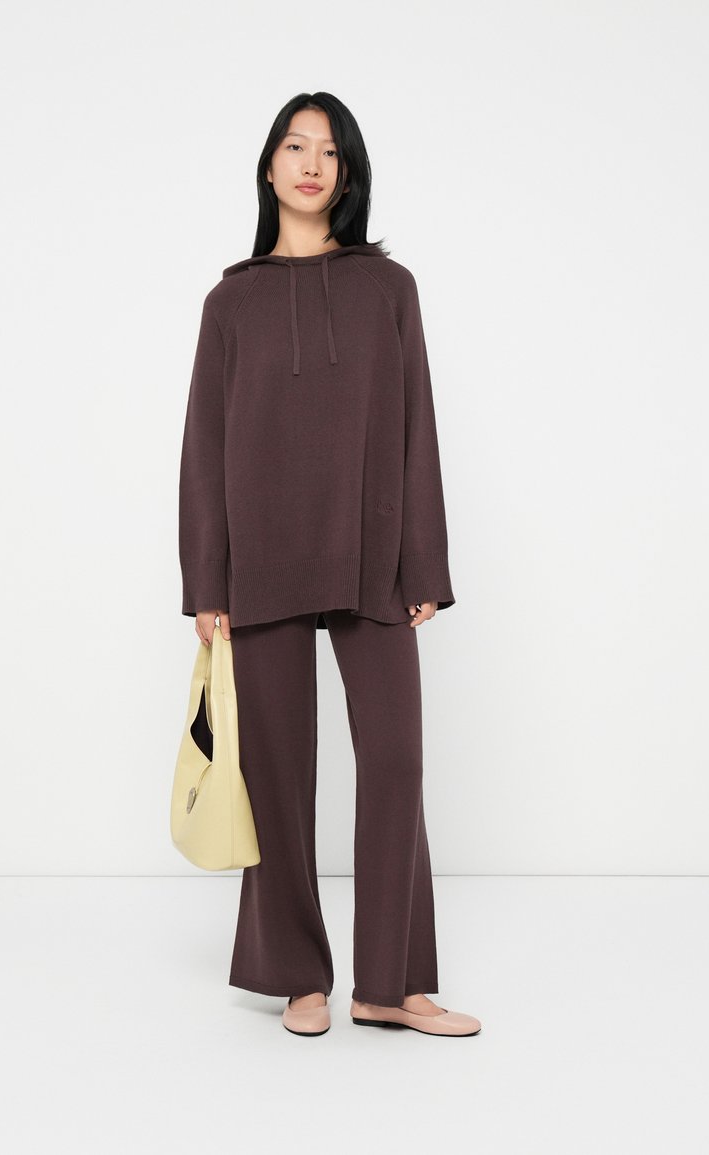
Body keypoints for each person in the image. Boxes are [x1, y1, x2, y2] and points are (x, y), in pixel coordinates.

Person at [178, 91, 481, 1039]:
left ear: (347, 173)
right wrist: (207, 582)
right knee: (276, 772)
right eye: (294, 146)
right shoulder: (230, 301)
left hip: (371, 552)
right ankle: (297, 975)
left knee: (393, 759)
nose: (311, 164)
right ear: (269, 166)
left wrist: (423, 561)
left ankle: (392, 983)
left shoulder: (388, 288)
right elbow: (204, 446)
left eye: (330, 151)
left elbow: (416, 422)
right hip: (261, 555)